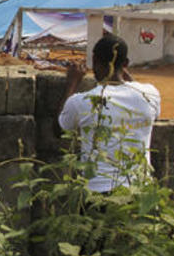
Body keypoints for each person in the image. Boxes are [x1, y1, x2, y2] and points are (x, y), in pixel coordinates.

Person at [57, 34, 161, 193]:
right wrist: (124, 75)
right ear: (126, 64)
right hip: (140, 189)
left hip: (99, 192)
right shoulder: (151, 94)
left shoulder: (83, 101)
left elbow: (59, 129)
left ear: (94, 61)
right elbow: (153, 112)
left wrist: (72, 83)